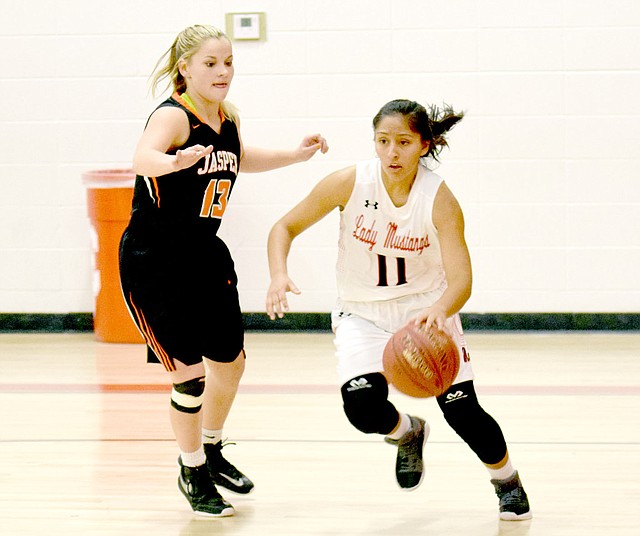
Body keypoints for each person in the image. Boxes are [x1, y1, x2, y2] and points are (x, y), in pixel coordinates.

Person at [265, 99, 531, 521]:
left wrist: (441, 309)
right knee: (362, 408)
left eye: (403, 142)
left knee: (463, 411)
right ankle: (408, 433)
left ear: (424, 145)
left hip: (426, 312)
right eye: (383, 141)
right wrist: (278, 274)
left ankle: (507, 482)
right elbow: (284, 226)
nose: (392, 152)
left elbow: (461, 279)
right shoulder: (348, 183)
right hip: (361, 312)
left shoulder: (439, 199)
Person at [119, 24, 328, 518]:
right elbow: (141, 156)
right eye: (211, 63)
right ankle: (191, 470)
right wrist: (172, 164)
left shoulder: (226, 117)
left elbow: (239, 157)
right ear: (185, 68)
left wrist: (293, 156)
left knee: (230, 363)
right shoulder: (173, 117)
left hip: (205, 256)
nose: (222, 71)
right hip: (155, 262)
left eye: (228, 62)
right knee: (190, 377)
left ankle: (211, 450)